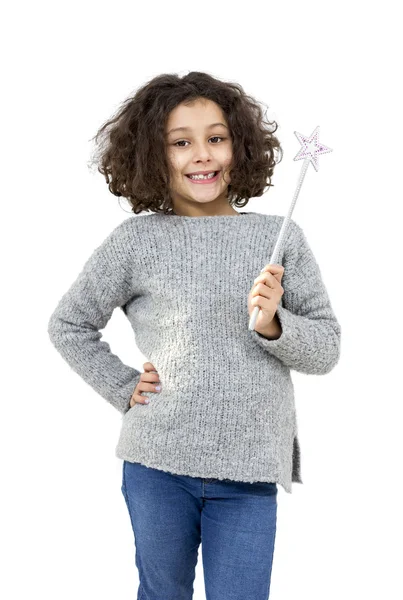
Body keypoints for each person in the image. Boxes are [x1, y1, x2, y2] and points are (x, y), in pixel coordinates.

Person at [47, 71, 341, 600]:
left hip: (249, 472)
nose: (201, 155)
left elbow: (326, 350)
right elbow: (69, 324)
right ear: (152, 157)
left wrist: (274, 322)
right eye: (180, 142)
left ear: (240, 146)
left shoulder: (280, 239)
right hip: (158, 465)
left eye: (216, 137)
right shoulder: (136, 242)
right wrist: (122, 386)